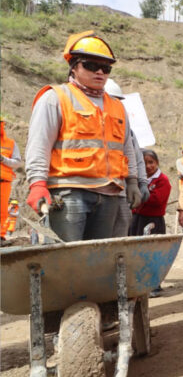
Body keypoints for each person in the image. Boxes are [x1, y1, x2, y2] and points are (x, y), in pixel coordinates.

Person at [25, 31, 140, 241]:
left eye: (106, 68)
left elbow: (127, 148)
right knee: (66, 259)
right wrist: (37, 183)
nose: (100, 72)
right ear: (74, 66)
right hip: (69, 192)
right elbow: (39, 145)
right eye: (90, 65)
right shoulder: (55, 98)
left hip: (109, 194)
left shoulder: (117, 107)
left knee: (97, 259)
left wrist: (132, 181)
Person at [104, 78, 150, 238]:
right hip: (98, 191)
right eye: (112, 100)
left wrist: (141, 182)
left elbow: (137, 156)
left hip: (121, 190)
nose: (115, 104)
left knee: (121, 230)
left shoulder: (125, 128)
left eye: (118, 100)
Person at [129, 149, 171, 236]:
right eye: (144, 163)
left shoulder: (162, 180)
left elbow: (157, 200)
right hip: (137, 219)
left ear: (157, 162)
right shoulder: (137, 179)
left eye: (151, 162)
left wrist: (138, 196)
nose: (148, 166)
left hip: (153, 221)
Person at [0, 118, 22, 240]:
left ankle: (1, 236)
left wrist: (3, 159)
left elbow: (17, 163)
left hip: (4, 182)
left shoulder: (11, 144)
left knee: (2, 211)